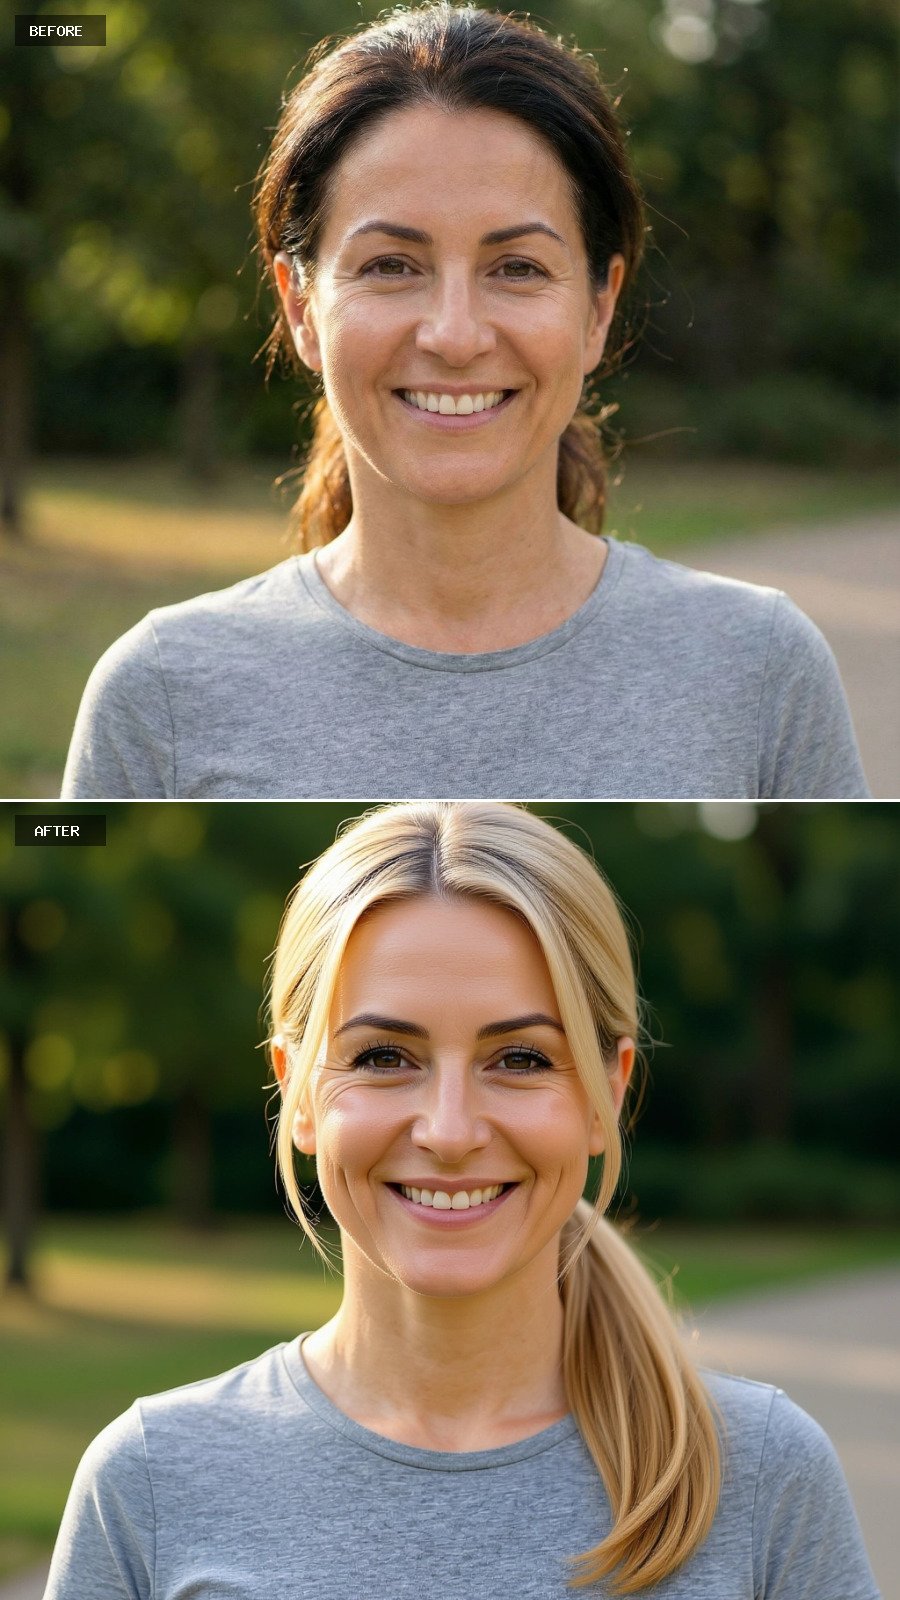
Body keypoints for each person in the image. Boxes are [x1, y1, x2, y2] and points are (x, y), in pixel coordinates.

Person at [46, 801, 879, 1598]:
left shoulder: (764, 1476)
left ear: (605, 1095)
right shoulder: (151, 1481)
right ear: (297, 1093)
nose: (449, 1130)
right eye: (382, 1057)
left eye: (518, 1058)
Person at [61, 3, 867, 801]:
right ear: (300, 308)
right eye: (391, 266)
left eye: (516, 268)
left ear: (597, 308)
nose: (454, 334)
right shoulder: (161, 694)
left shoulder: (758, 667)